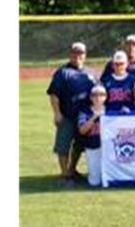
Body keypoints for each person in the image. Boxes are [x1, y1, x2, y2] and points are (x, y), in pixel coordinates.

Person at [47, 42, 97, 187]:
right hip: (67, 116)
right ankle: (64, 175)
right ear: (70, 54)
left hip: (84, 117)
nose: (77, 56)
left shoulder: (91, 72)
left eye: (80, 53)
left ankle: (72, 170)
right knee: (63, 146)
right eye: (75, 53)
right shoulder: (63, 72)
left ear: (85, 55)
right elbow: (54, 95)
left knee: (79, 146)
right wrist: (57, 113)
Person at [77, 85, 107, 187]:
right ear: (90, 97)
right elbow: (82, 131)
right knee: (95, 182)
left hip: (108, 150)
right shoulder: (85, 111)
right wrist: (94, 117)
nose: (98, 97)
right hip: (92, 147)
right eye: (95, 95)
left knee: (108, 180)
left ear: (105, 97)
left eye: (101, 95)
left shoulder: (110, 111)